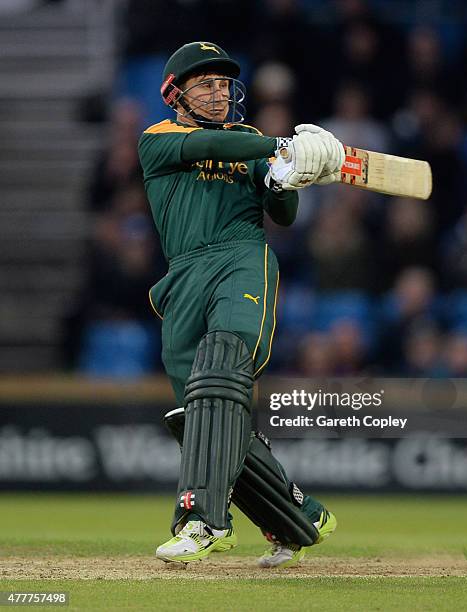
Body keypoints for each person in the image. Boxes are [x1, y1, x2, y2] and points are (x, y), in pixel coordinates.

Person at [138, 41, 344, 568]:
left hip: (241, 260)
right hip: (183, 275)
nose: (218, 93)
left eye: (224, 83)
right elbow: (216, 149)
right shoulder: (158, 139)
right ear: (174, 95)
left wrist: (283, 177)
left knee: (219, 376)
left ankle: (202, 521)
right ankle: (300, 516)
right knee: (201, 415)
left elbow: (285, 213)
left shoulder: (251, 141)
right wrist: (283, 145)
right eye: (204, 84)